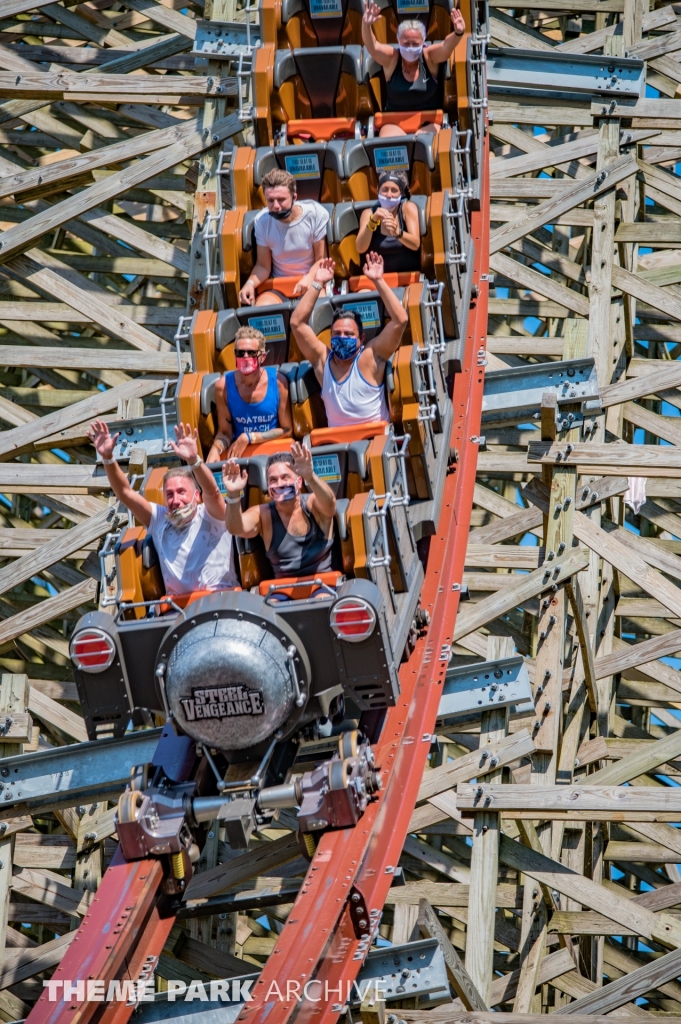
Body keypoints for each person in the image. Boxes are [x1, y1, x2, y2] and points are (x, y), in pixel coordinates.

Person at [88, 420, 239, 597]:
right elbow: (125, 492)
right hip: (179, 610)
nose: (175, 500)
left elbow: (212, 492)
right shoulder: (161, 520)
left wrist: (193, 460)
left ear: (196, 496)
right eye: (169, 494)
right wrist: (108, 458)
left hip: (220, 599)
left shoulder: (211, 514)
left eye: (181, 492)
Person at [289, 252, 408, 428]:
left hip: (374, 443)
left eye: (348, 334)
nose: (342, 338)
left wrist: (378, 280)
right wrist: (317, 283)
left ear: (361, 338)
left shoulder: (370, 357)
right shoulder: (322, 361)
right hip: (339, 446)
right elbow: (296, 323)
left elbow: (400, 320)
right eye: (337, 334)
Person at [222, 444, 336, 591]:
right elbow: (236, 528)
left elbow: (330, 505)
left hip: (323, 584)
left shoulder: (313, 504)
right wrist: (233, 495)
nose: (280, 484)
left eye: (285, 477)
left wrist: (311, 477)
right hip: (282, 591)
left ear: (299, 482)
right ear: (268, 487)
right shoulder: (263, 515)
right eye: (273, 480)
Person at [361, 4, 466, 136]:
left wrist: (458, 32)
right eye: (406, 43)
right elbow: (373, 46)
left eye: (415, 44)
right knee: (392, 142)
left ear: (423, 42)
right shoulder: (392, 58)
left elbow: (446, 46)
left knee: (425, 143)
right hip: (394, 123)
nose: (410, 48)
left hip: (428, 122)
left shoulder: (429, 57)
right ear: (398, 41)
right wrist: (366, 25)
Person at [238, 169, 329, 307]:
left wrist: (309, 279)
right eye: (270, 201)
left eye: (281, 200)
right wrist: (250, 284)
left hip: (310, 281)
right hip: (278, 286)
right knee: (263, 309)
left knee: (319, 305)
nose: (276, 206)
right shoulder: (262, 221)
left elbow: (320, 260)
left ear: (294, 197)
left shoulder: (315, 214)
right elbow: (263, 266)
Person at [206, 326, 293, 462]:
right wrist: (216, 449)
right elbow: (225, 433)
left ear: (262, 357)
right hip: (241, 457)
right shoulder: (223, 387)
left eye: (251, 353)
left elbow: (287, 430)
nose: (245, 357)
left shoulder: (278, 382)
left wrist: (250, 437)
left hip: (274, 454)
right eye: (241, 353)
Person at [355, 171, 421, 273]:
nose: (389, 195)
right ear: (378, 190)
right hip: (376, 278)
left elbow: (415, 244)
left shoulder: (408, 208)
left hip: (409, 276)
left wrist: (397, 232)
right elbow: (360, 248)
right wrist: (372, 222)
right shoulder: (368, 214)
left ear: (401, 193)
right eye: (385, 190)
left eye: (394, 190)